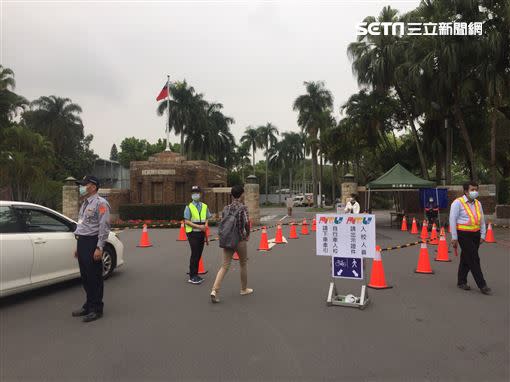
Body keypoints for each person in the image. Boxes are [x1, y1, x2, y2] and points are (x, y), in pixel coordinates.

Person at [72, 175, 111, 322]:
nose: (81, 187)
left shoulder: (101, 204)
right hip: (83, 242)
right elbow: (82, 224)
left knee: (94, 277)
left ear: (93, 187)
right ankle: (88, 304)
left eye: (84, 184)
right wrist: (78, 245)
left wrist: (99, 247)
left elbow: (104, 226)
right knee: (85, 276)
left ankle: (96, 308)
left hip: (93, 242)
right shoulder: (85, 203)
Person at [210, 185, 252, 303]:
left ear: (232, 195)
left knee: (224, 266)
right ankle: (244, 289)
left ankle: (214, 290)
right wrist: (247, 234)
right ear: (242, 194)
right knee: (243, 264)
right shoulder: (243, 208)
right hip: (240, 240)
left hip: (228, 239)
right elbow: (246, 223)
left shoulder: (226, 208)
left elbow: (223, 223)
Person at [449, 181, 491, 295]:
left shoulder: (478, 203)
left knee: (466, 258)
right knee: (474, 258)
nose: (475, 192)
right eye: (472, 190)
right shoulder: (457, 203)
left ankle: (461, 281)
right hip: (463, 234)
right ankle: (482, 285)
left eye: (476, 189)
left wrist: (483, 234)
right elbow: (452, 220)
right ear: (466, 191)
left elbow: (481, 220)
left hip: (476, 234)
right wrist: (454, 237)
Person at [184, 185, 211, 285]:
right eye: (193, 193)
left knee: (199, 254)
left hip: (201, 234)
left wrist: (206, 225)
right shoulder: (189, 207)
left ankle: (195, 274)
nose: (195, 194)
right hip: (192, 233)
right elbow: (186, 221)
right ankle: (192, 276)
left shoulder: (204, 206)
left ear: (200, 194)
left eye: (197, 193)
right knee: (195, 254)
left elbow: (207, 217)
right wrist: (199, 227)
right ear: (191, 195)